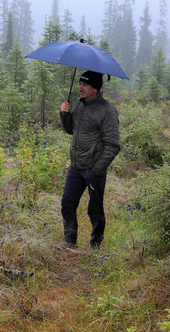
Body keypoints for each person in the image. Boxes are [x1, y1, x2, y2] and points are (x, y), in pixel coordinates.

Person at [59, 70, 120, 249]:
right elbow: (71, 130)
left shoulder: (108, 111)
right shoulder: (78, 105)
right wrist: (65, 115)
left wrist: (97, 170)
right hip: (76, 166)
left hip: (94, 168)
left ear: (95, 88)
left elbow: (113, 145)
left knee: (94, 209)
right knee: (67, 203)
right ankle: (69, 240)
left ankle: (95, 244)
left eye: (84, 84)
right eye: (80, 84)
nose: (80, 88)